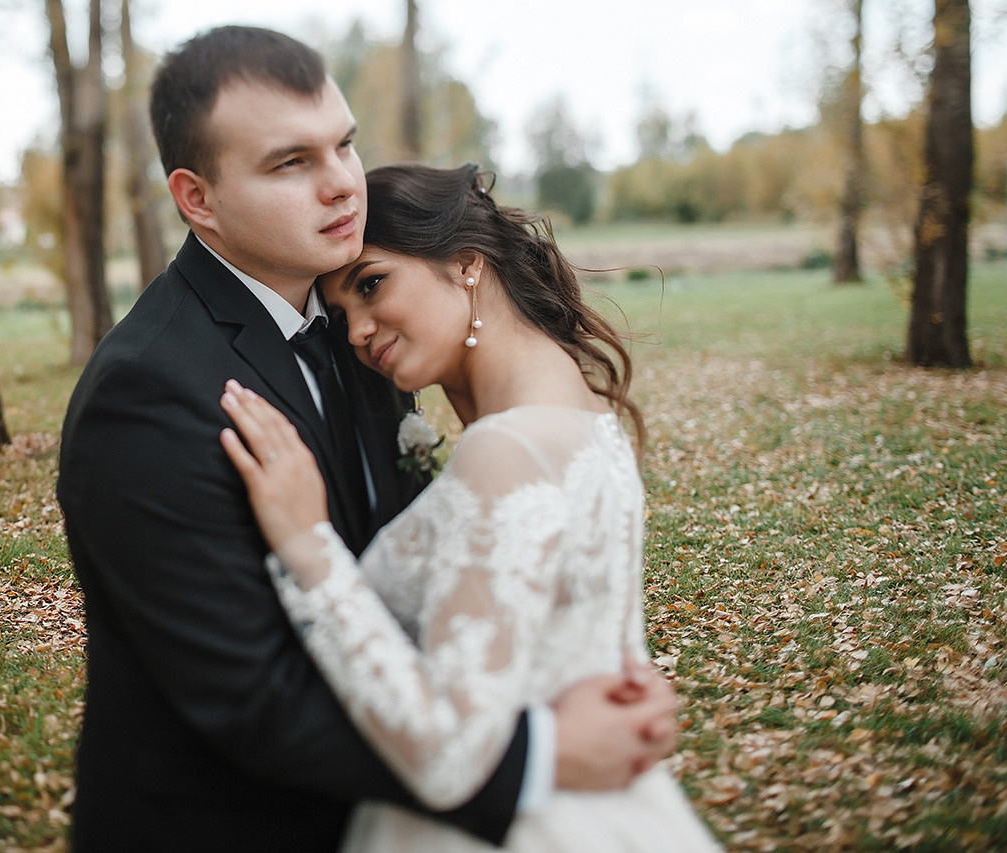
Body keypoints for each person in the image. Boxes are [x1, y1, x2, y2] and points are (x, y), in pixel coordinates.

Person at [56, 25, 677, 852]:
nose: (342, 184)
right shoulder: (148, 391)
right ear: (197, 197)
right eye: (291, 163)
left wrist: (593, 669)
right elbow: (253, 693)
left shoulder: (365, 337)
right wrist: (542, 754)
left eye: (343, 145)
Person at [217, 162, 720, 850]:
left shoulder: (507, 450)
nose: (358, 330)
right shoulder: (587, 420)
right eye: (341, 314)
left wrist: (311, 548)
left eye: (371, 284)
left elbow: (449, 754)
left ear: (465, 264)